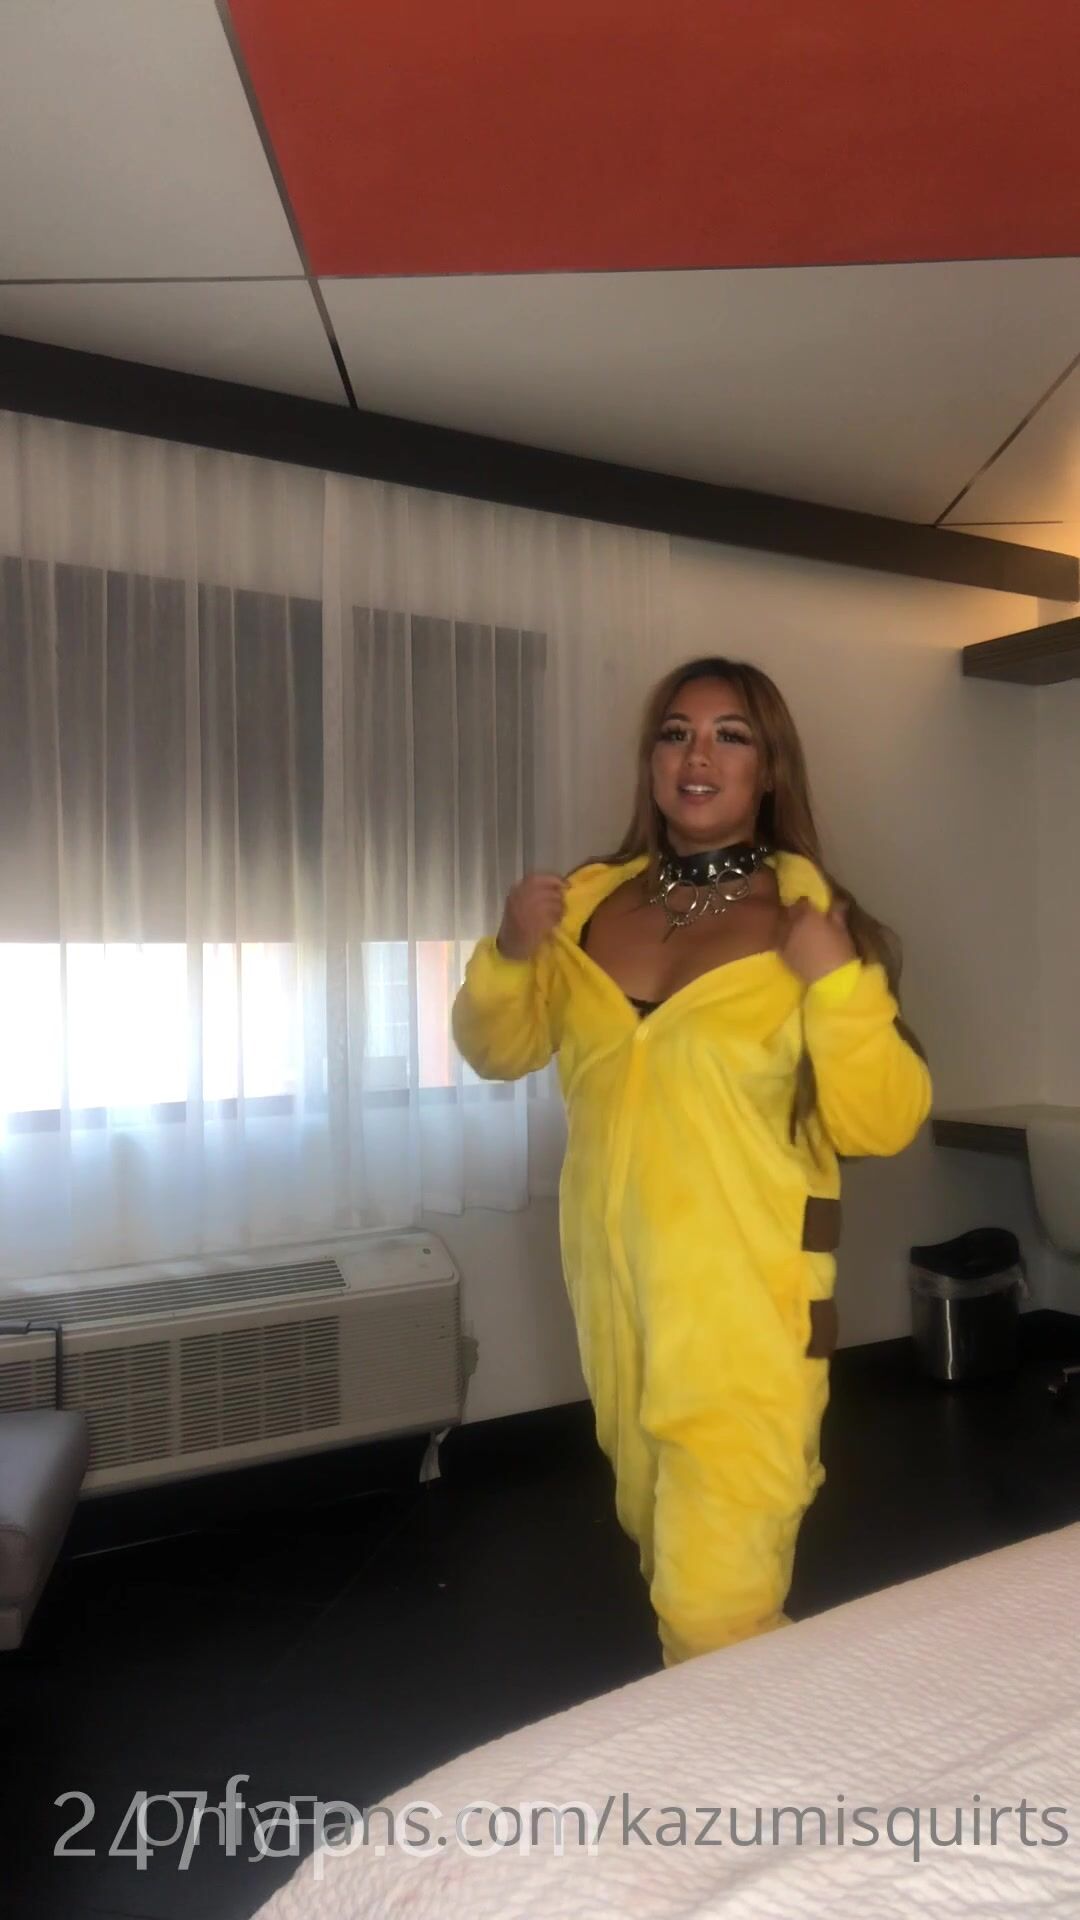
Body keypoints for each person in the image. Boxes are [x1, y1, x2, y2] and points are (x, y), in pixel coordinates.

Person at [452, 655, 932, 1667]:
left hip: (750, 1309)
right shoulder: (587, 911)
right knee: (663, 1550)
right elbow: (500, 1050)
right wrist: (509, 951)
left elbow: (882, 1121)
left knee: (716, 1607)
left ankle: (750, 1764)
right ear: (652, 761)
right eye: (676, 733)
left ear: (770, 769)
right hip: (614, 1303)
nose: (697, 755)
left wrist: (838, 986)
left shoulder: (811, 928)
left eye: (730, 735)